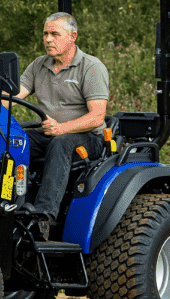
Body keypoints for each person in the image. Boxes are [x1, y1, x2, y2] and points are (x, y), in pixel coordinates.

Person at [15, 12, 110, 222]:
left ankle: (44, 217)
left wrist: (62, 128)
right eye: (45, 34)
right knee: (13, 141)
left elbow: (96, 117)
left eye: (55, 34)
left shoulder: (91, 67)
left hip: (88, 138)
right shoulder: (38, 65)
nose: (48, 39)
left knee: (60, 143)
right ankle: (9, 205)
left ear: (72, 36)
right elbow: (14, 96)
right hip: (49, 134)